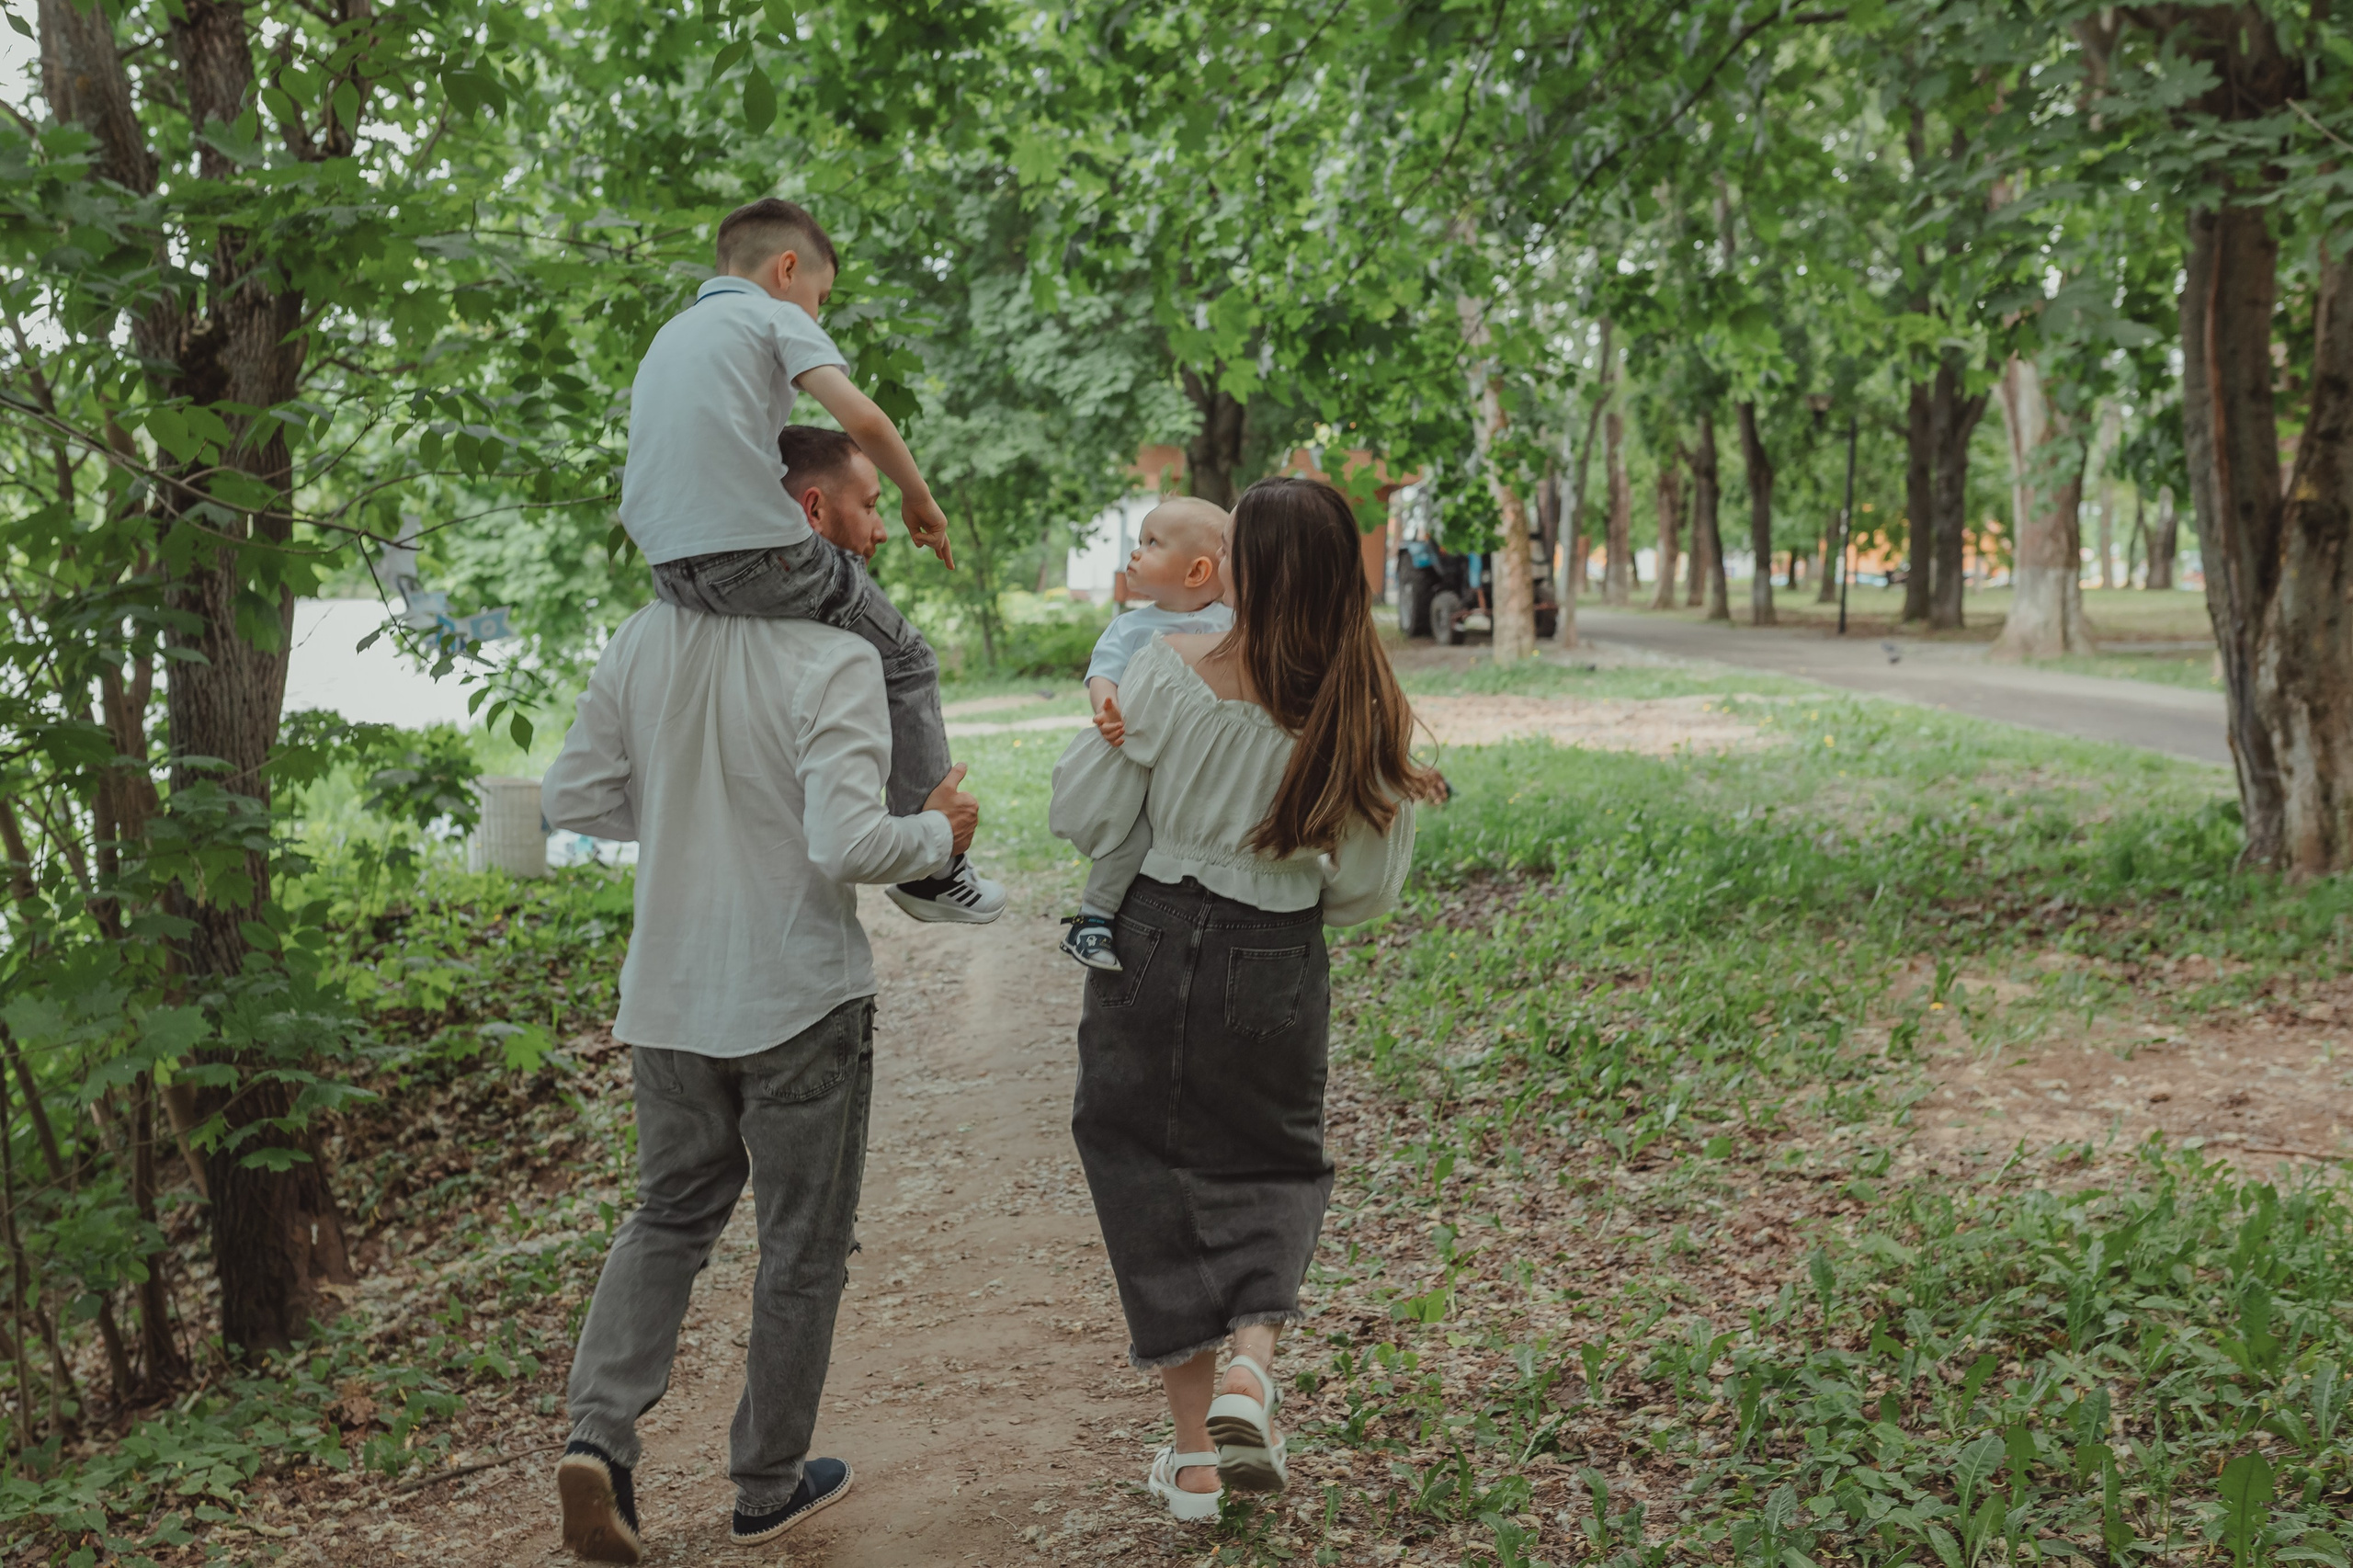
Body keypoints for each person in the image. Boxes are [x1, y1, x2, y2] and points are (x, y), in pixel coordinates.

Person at [540, 589, 980, 1562]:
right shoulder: (833, 654)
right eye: (867, 515)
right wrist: (937, 831)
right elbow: (847, 844)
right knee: (801, 1247)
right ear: (809, 519)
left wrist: (683, 812)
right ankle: (768, 1486)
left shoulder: (643, 635)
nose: (877, 532)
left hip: (669, 997)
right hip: (798, 999)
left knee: (668, 1216)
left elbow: (569, 798)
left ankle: (597, 1437)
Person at [1047, 476, 1443, 1521]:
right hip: (1275, 943)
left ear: (1246, 570)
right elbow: (1365, 890)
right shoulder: (1363, 706)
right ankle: (1251, 1368)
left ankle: (1192, 1461)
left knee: (1142, 1159)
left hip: (1149, 932)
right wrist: (1280, 889)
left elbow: (1086, 816)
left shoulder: (1164, 668)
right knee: (1272, 1155)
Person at [619, 194, 1002, 926]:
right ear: (787, 269)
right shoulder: (773, 316)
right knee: (907, 659)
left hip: (668, 568)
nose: (817, 314)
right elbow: (863, 418)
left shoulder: (670, 336)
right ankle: (932, 871)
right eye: (821, 298)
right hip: (758, 552)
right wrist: (919, 499)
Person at [1059, 495, 1233, 971]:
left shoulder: (1232, 621)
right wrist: (1107, 708)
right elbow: (1103, 674)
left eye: (1153, 542)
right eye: (1140, 540)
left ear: (1197, 572)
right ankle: (1094, 916)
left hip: (1198, 758)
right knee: (1131, 831)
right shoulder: (1130, 627)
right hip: (1141, 753)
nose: (1136, 552)